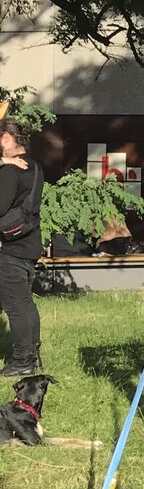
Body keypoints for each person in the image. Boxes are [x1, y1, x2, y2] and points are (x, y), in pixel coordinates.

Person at [0, 119, 44, 376]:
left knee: (16, 306)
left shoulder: (9, 172)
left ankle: (22, 361)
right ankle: (32, 355)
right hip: (28, 243)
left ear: (6, 138)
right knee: (25, 303)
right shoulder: (34, 167)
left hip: (10, 247)